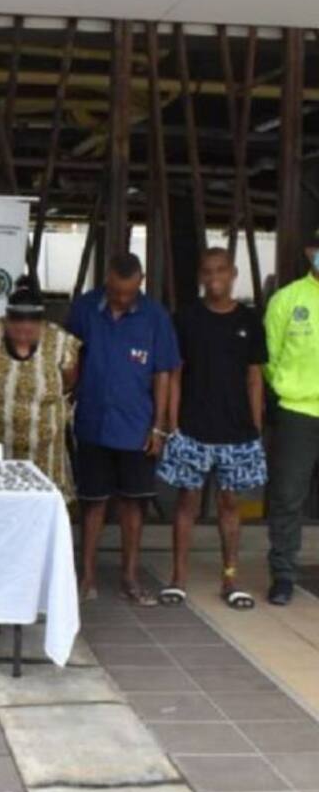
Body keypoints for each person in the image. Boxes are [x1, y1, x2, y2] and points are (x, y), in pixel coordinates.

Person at [156, 248, 266, 610]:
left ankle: (230, 579)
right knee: (186, 502)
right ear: (201, 276)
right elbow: (175, 373)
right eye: (207, 271)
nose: (214, 276)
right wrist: (172, 423)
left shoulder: (250, 320)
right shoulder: (186, 319)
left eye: (220, 269)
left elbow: (254, 378)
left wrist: (256, 428)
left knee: (229, 504)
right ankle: (178, 578)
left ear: (233, 273)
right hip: (193, 428)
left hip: (237, 431)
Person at [68, 253, 180, 605]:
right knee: (93, 503)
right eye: (116, 292)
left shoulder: (155, 317)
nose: (121, 300)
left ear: (140, 282)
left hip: (136, 425)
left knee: (133, 504)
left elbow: (164, 372)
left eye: (128, 293)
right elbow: (70, 358)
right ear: (107, 281)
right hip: (92, 422)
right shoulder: (85, 309)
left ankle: (130, 577)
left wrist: (159, 427)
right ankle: (87, 576)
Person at [0, 277, 80, 501]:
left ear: (41, 324)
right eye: (17, 329)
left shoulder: (60, 341)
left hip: (44, 455)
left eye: (30, 331)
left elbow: (69, 382)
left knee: (40, 513)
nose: (23, 335)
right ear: (6, 321)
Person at [263, 227, 319, 606]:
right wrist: (284, 389)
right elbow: (268, 358)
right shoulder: (288, 299)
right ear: (310, 251)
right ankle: (283, 573)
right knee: (287, 495)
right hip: (298, 411)